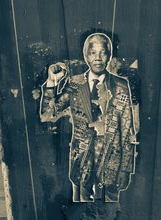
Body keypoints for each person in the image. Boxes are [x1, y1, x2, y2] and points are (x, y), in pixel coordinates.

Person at [40, 33, 137, 219]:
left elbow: (126, 130)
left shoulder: (120, 85)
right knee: (81, 212)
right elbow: (47, 114)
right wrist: (52, 82)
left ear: (109, 56)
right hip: (82, 163)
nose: (98, 58)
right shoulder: (75, 84)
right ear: (86, 55)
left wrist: (126, 169)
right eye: (93, 53)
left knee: (110, 213)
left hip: (112, 166)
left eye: (103, 52)